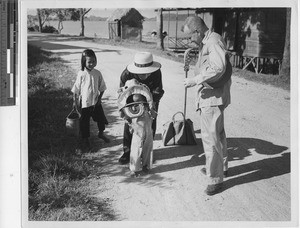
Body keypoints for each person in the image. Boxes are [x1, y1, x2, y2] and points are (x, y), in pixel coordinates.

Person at [182, 16, 232, 195]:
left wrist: (195, 80)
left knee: (211, 138)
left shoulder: (212, 42)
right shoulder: (209, 40)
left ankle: (215, 178)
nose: (190, 41)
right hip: (213, 97)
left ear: (197, 31)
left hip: (212, 98)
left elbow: (219, 67)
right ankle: (221, 167)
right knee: (218, 133)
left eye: (190, 37)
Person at [118, 52, 164, 165]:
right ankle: (127, 152)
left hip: (150, 99)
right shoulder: (126, 74)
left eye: (147, 72)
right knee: (130, 124)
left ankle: (147, 151)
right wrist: (128, 110)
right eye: (142, 73)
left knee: (150, 125)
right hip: (131, 100)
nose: (145, 75)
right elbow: (121, 93)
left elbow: (158, 90)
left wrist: (150, 105)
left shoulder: (156, 72)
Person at [72, 49, 110, 153]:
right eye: (89, 62)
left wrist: (99, 99)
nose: (92, 64)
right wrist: (75, 103)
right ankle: (86, 139)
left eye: (94, 61)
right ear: (84, 61)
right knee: (85, 122)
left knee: (101, 119)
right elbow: (76, 90)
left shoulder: (97, 73)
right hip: (85, 104)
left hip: (96, 102)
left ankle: (101, 133)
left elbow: (102, 88)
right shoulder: (81, 74)